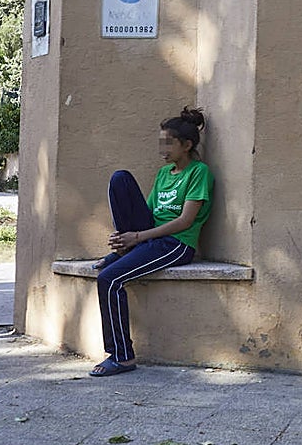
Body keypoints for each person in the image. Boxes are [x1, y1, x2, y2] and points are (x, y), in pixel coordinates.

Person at [91, 107, 214, 377]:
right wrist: (128, 239)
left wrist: (136, 237)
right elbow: (149, 215)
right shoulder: (163, 174)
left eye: (168, 143)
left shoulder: (199, 173)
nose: (162, 149)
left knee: (109, 280)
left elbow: (184, 221)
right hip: (151, 238)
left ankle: (122, 357)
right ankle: (123, 252)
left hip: (175, 244)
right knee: (120, 178)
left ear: (187, 145)